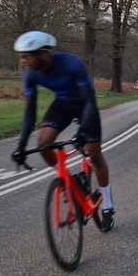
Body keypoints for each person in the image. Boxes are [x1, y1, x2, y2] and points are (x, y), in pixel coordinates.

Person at [11, 30, 115, 231]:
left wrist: (83, 132)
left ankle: (108, 206)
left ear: (42, 53)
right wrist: (21, 147)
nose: (22, 61)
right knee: (43, 144)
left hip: (85, 105)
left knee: (94, 153)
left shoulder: (72, 64)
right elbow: (30, 113)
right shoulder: (30, 73)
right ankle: (70, 182)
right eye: (21, 57)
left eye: (26, 56)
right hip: (63, 104)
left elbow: (89, 103)